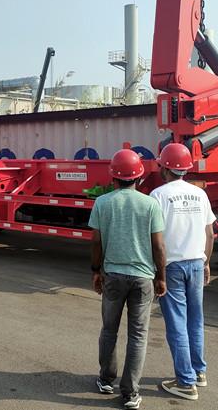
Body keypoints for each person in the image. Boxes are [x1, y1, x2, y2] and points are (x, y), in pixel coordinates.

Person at [89, 149, 167, 410]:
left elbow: (96, 242)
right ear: (139, 177)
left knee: (109, 329)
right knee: (138, 335)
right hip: (143, 279)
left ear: (113, 177)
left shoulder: (103, 203)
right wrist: (161, 277)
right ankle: (131, 393)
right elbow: (158, 246)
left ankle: (106, 379)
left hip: (113, 276)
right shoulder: (150, 205)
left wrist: (96, 271)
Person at [149, 143, 215, 401]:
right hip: (197, 263)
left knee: (176, 324)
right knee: (195, 321)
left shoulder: (158, 195)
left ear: (164, 167)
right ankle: (198, 372)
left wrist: (157, 271)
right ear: (186, 168)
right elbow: (209, 233)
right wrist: (207, 262)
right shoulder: (200, 194)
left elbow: (156, 239)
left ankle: (186, 382)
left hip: (172, 266)